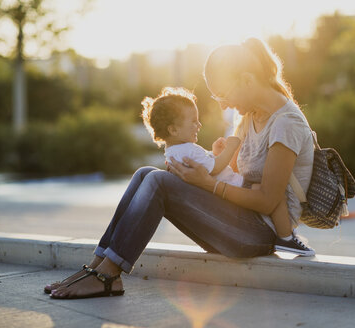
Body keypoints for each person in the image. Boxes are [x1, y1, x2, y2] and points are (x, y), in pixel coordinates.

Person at [45, 37, 314, 300]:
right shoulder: (248, 117)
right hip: (234, 221)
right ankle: (97, 267)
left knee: (159, 183)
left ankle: (109, 276)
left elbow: (268, 201)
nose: (222, 105)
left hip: (259, 235)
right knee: (145, 174)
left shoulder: (285, 124)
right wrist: (212, 162)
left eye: (223, 95)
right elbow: (237, 174)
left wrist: (206, 184)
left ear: (246, 79)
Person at [140, 86, 301, 254]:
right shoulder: (189, 150)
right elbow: (215, 167)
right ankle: (287, 238)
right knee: (277, 197)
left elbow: (209, 168)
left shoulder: (174, 153)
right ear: (173, 129)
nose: (199, 125)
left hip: (224, 197)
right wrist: (229, 149)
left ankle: (111, 254)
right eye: (194, 121)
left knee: (144, 174)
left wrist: (216, 154)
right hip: (235, 189)